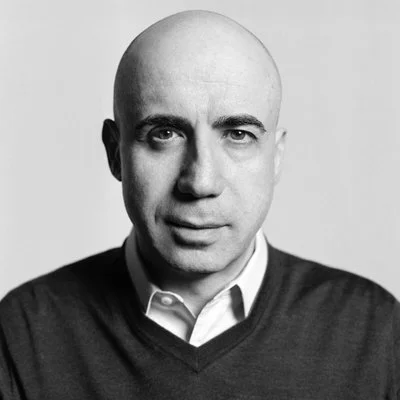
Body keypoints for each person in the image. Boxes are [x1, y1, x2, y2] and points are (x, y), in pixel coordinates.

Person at [0, 10, 399, 399]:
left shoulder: (376, 332)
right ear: (115, 153)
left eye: (238, 134)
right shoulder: (23, 333)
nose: (201, 181)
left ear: (276, 157)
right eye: (165, 133)